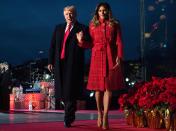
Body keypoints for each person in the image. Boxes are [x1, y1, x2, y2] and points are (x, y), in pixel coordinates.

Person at [76, 2, 124, 130]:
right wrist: (80, 41)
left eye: (105, 10)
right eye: (100, 10)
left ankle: (106, 116)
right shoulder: (92, 25)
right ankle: (99, 112)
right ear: (97, 12)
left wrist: (119, 56)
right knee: (97, 89)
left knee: (109, 88)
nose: (103, 12)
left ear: (108, 11)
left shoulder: (115, 24)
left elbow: (119, 41)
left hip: (110, 57)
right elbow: (90, 44)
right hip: (96, 57)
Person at [48, 5, 89, 128]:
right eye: (66, 14)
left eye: (71, 13)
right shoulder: (58, 28)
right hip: (59, 64)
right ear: (63, 15)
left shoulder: (82, 28)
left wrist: (81, 40)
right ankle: (70, 112)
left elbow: (87, 44)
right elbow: (52, 46)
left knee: (70, 91)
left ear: (75, 14)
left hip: (73, 64)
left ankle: (68, 118)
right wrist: (50, 61)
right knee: (62, 91)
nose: (69, 16)